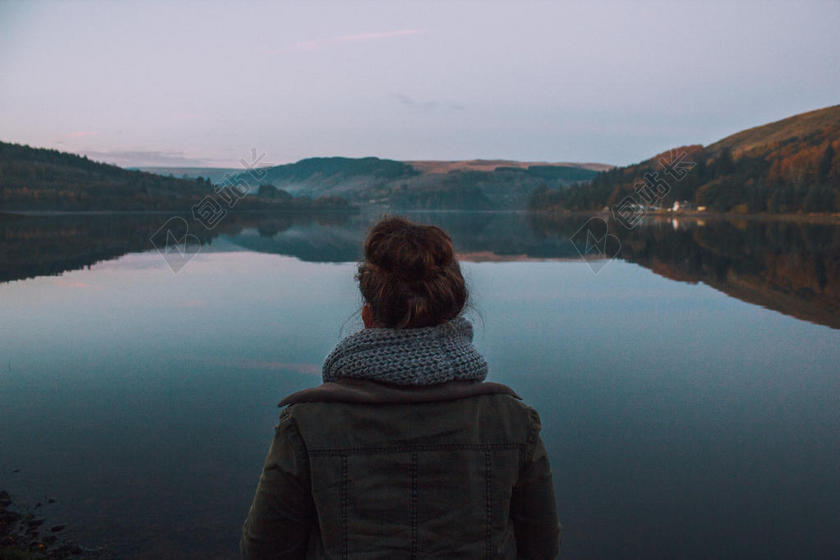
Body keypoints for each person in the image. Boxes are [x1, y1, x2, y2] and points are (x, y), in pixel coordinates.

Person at [241, 216, 561, 559]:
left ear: (367, 318)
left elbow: (263, 551)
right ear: (452, 319)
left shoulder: (306, 425)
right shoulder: (513, 421)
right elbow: (541, 549)